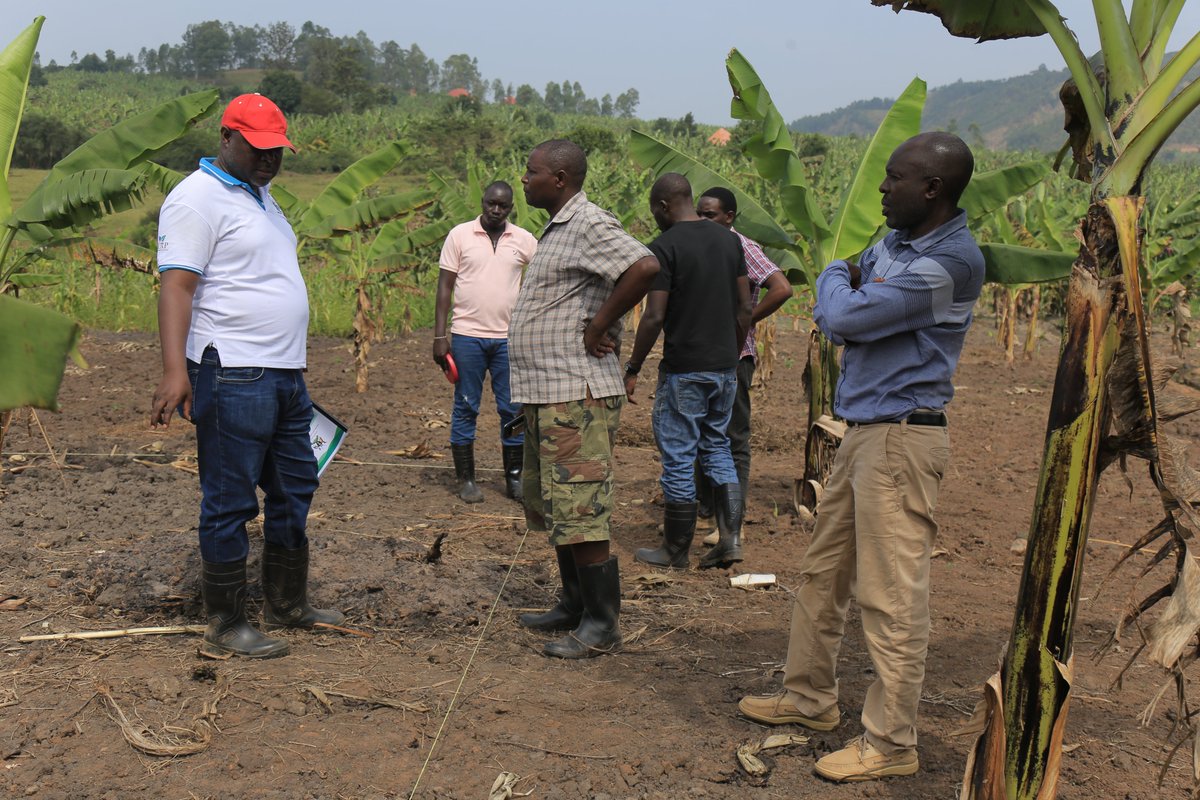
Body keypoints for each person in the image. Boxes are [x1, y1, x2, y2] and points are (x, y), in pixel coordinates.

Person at [737, 132, 984, 782]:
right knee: (823, 573)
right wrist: (846, 291)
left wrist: (833, 282)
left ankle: (891, 743)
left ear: (932, 188)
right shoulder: (895, 244)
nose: (881, 187)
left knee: (890, 596)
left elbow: (842, 317)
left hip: (901, 441)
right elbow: (847, 298)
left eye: (895, 178)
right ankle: (809, 697)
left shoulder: (951, 261)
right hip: (863, 434)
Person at [149, 94, 343, 660]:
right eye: (257, 148)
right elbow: (177, 287)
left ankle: (287, 603)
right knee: (230, 498)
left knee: (295, 487)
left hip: (283, 373)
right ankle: (227, 622)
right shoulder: (196, 198)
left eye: (276, 150)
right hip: (232, 370)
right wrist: (174, 370)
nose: (268, 159)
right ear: (225, 138)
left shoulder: (263, 197)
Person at [509, 139, 659, 659]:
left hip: (576, 391)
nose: (523, 179)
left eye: (530, 171)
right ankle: (574, 603)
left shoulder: (589, 222)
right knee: (560, 503)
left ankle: (601, 623)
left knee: (581, 504)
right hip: (549, 391)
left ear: (559, 178)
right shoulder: (557, 228)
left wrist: (600, 324)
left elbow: (644, 266)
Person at [623, 174, 752, 571]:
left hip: (685, 370)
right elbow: (745, 308)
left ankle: (676, 549)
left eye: (654, 211)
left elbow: (654, 316)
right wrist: (730, 354)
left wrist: (633, 366)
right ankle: (730, 540)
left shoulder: (664, 247)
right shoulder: (730, 241)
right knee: (717, 447)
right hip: (725, 368)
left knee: (679, 456)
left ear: (663, 206)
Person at [694, 187, 793, 544]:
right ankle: (705, 513)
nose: (702, 220)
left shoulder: (743, 247)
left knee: (732, 438)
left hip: (734, 356)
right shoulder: (701, 245)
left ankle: (730, 522)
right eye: (699, 213)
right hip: (700, 356)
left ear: (729, 217)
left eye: (710, 215)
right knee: (699, 435)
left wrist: (747, 321)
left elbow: (781, 288)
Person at [433, 181, 537, 504]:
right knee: (466, 405)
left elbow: (543, 274)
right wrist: (440, 336)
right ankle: (466, 479)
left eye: (503, 206)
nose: (496, 210)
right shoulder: (460, 235)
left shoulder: (523, 240)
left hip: (508, 339)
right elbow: (444, 288)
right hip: (467, 337)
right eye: (491, 203)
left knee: (513, 409)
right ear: (483, 201)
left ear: (510, 208)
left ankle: (515, 478)